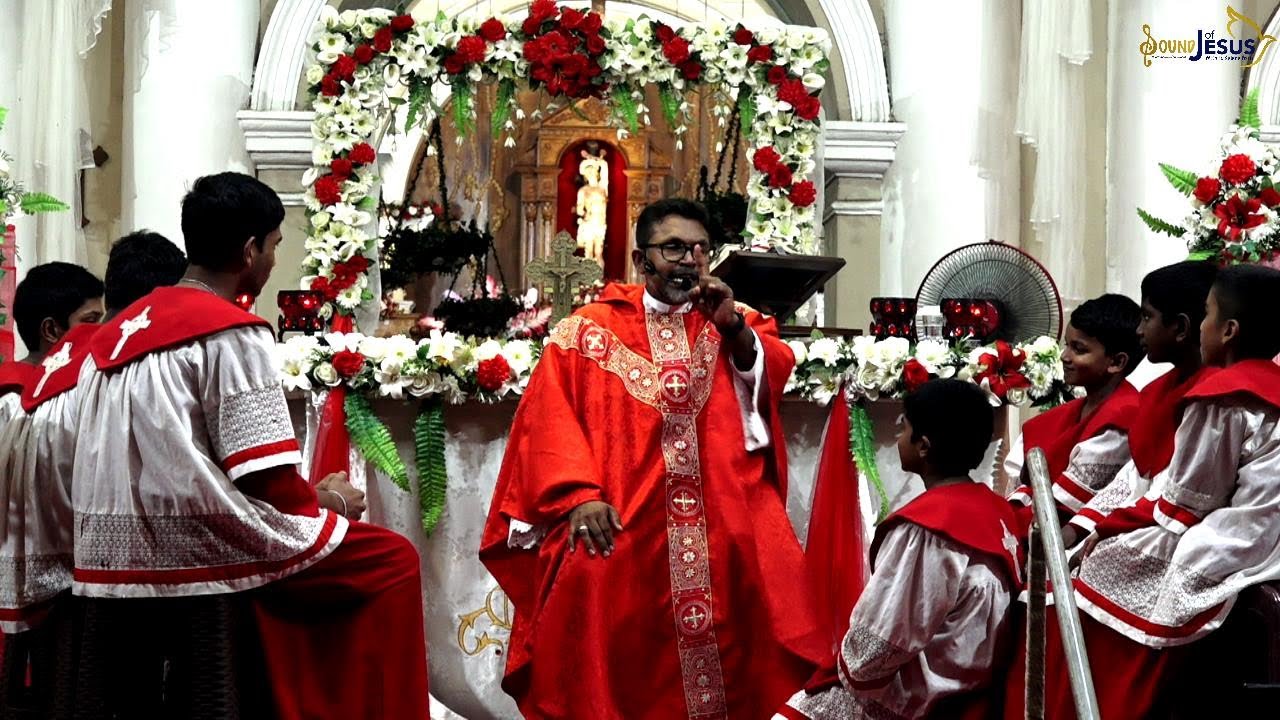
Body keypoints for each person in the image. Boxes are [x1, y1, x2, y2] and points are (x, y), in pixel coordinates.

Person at [70, 173, 429, 719]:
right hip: (193, 553)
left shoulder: (112, 338)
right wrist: (328, 504)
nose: (269, 261)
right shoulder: (230, 331)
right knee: (391, 559)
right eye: (274, 246)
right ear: (248, 250)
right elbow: (265, 477)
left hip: (103, 553)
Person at [480, 198, 827, 718]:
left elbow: (771, 369)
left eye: (699, 250)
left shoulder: (733, 319)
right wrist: (578, 497)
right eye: (673, 249)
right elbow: (548, 419)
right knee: (590, 574)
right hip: (620, 509)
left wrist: (732, 326)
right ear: (643, 262)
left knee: (752, 562)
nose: (689, 260)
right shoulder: (588, 330)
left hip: (722, 502)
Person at [1064, 264, 1280, 719]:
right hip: (1265, 535)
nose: (1201, 325)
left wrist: (1103, 533)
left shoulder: (1223, 397)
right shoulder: (1268, 387)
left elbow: (1185, 503)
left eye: (1206, 314)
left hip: (1237, 539)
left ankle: (1120, 702)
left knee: (1091, 576)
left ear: (1228, 331)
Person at [778, 379, 1020, 720]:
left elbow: (874, 650)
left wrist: (850, 665)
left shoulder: (929, 528)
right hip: (973, 690)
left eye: (902, 427)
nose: (896, 438)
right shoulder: (997, 512)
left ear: (924, 445)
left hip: (921, 698)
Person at [0, 263, 103, 631]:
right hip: (47, 584)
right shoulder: (20, 400)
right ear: (51, 329)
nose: (100, 333)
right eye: (91, 320)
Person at [1004, 293, 1143, 540]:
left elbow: (1060, 508)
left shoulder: (1121, 420)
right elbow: (1025, 486)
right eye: (1066, 344)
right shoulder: (1069, 412)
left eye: (1078, 349)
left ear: (1117, 362)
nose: (1064, 356)